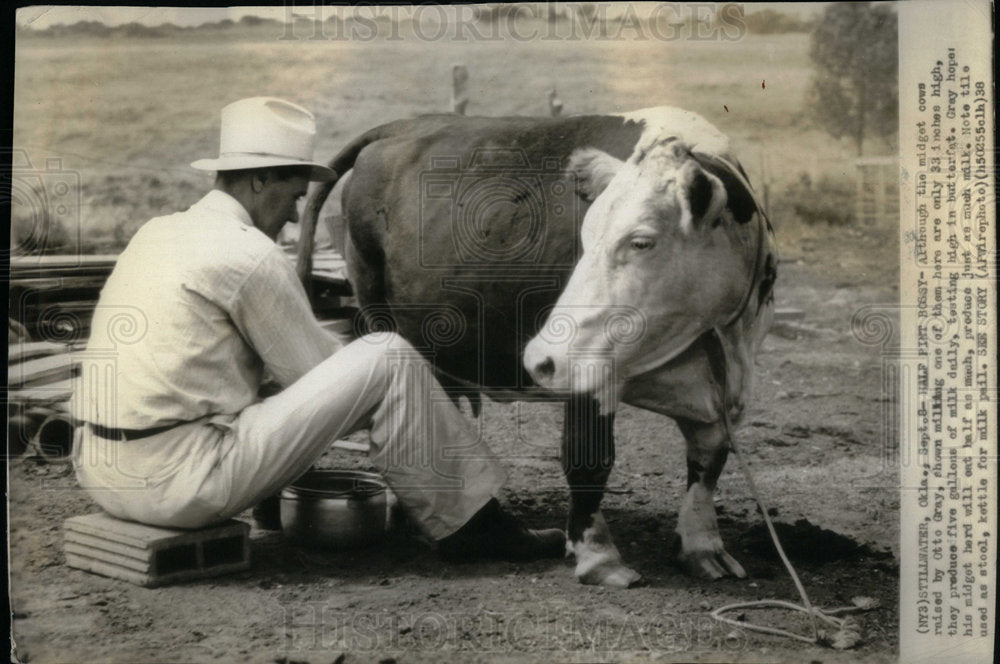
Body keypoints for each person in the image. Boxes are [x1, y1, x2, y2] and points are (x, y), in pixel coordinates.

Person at [70, 97, 564, 562]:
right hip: (176, 486)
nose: (291, 218)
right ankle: (473, 526)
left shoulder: (158, 233)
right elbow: (320, 376)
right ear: (260, 180)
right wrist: (428, 378)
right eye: (293, 197)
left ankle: (271, 500)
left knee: (280, 375)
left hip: (101, 471)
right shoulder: (247, 253)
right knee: (389, 357)